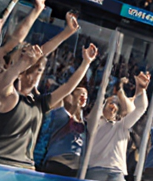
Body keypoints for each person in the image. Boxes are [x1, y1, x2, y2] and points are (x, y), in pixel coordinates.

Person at [0, 42, 97, 170]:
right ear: (22, 72)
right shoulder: (10, 97)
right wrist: (23, 63)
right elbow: (5, 82)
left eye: (41, 70)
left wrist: (86, 63)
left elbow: (68, 87)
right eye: (36, 69)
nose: (38, 74)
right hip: (5, 164)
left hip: (26, 168)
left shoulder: (39, 103)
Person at [83, 72, 150, 181]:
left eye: (116, 104)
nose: (113, 106)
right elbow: (97, 107)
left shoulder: (122, 125)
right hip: (96, 170)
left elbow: (141, 107)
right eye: (110, 103)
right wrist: (104, 89)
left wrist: (142, 89)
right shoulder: (95, 122)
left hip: (117, 172)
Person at [36, 86, 88, 177]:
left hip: (75, 168)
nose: (83, 95)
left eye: (85, 94)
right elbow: (64, 99)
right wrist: (74, 100)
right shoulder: (60, 114)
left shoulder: (85, 122)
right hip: (57, 163)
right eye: (80, 93)